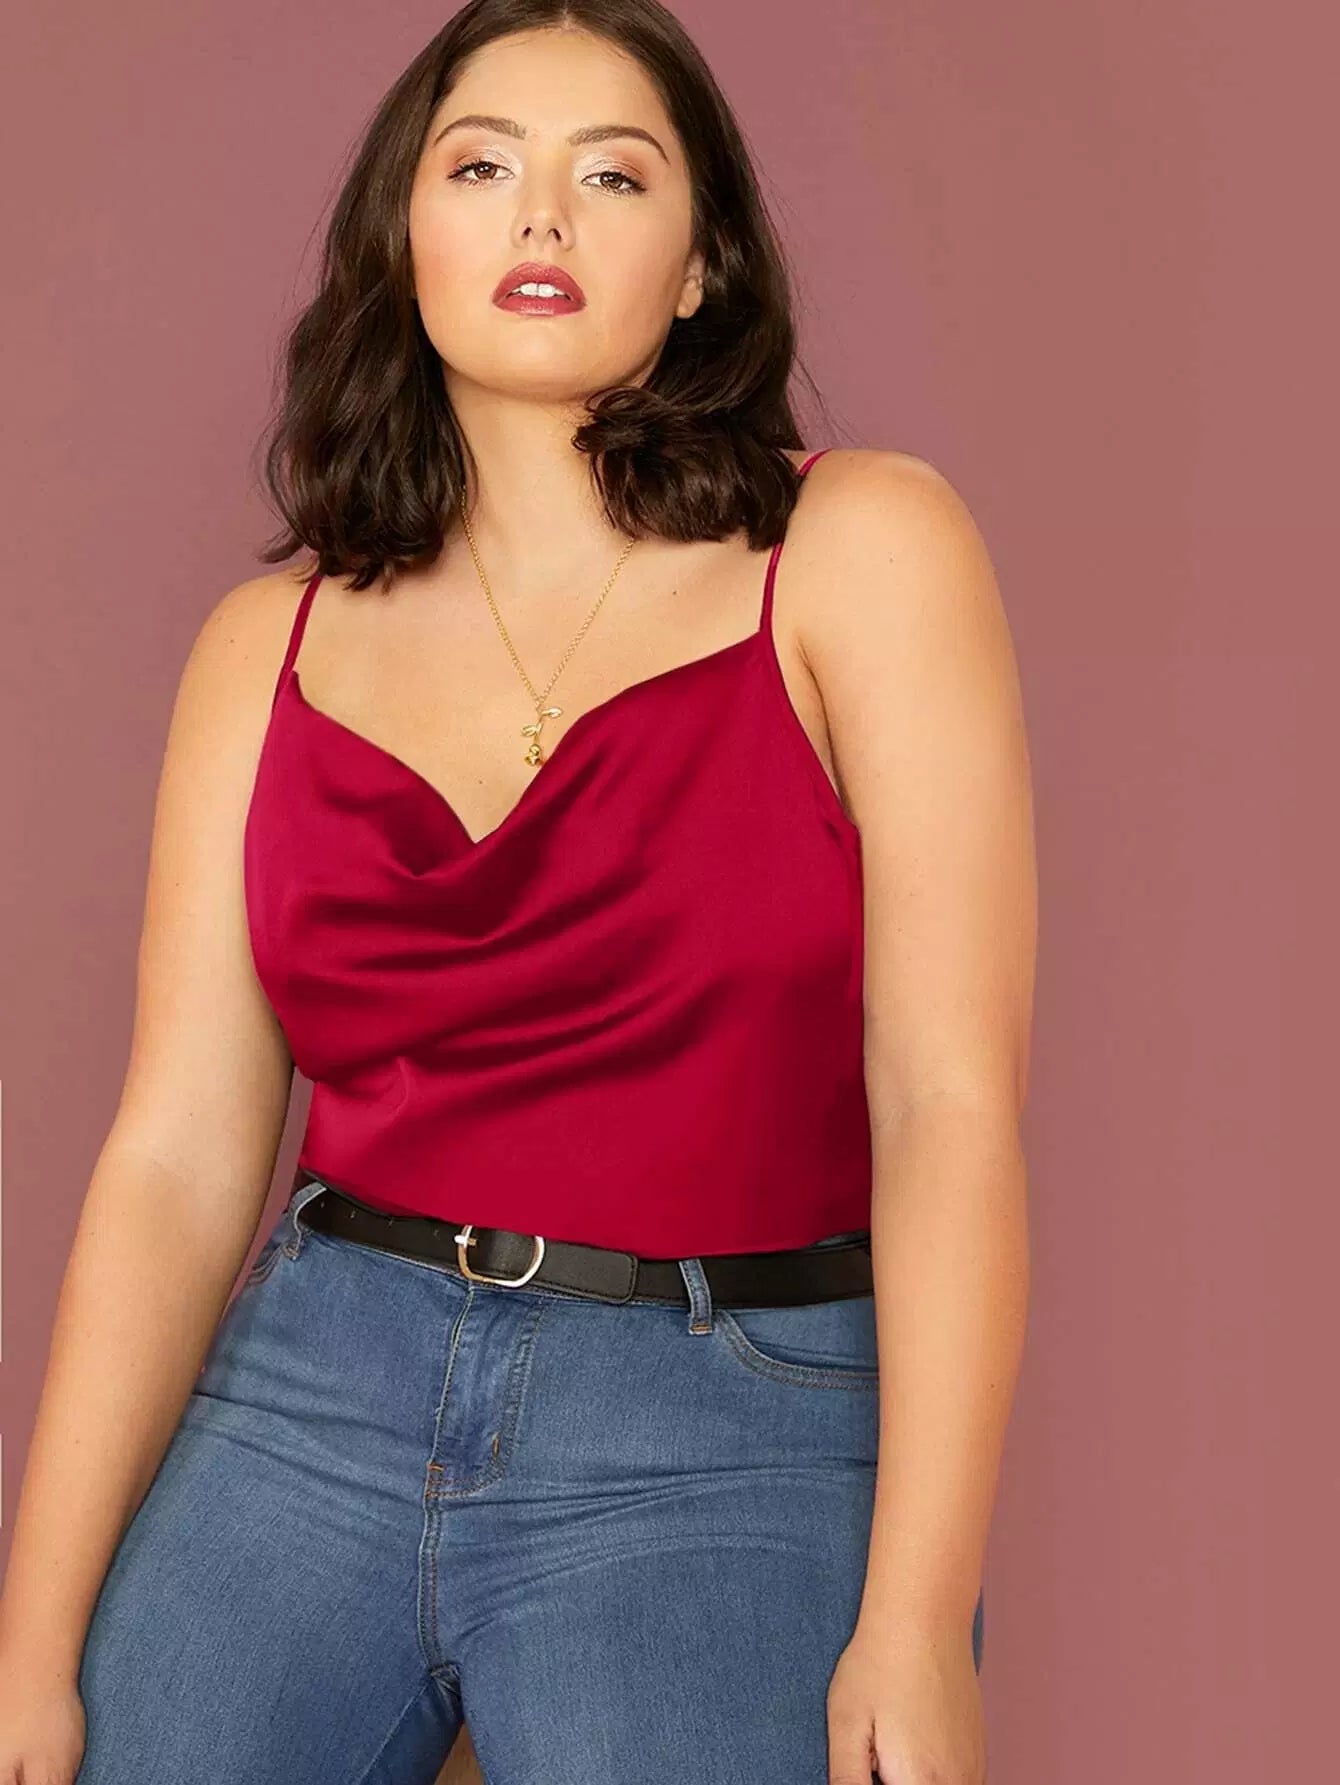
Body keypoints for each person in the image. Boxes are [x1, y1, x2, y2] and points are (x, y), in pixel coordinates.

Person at [0, 2, 1035, 1781]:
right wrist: (30, 1645)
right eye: (480, 167)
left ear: (700, 267)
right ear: (406, 235)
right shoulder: (265, 648)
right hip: (316, 1373)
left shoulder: (862, 550)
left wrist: (921, 1610)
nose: (542, 213)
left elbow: (946, 1104)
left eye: (612, 176)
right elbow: (175, 1154)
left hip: (728, 1415)